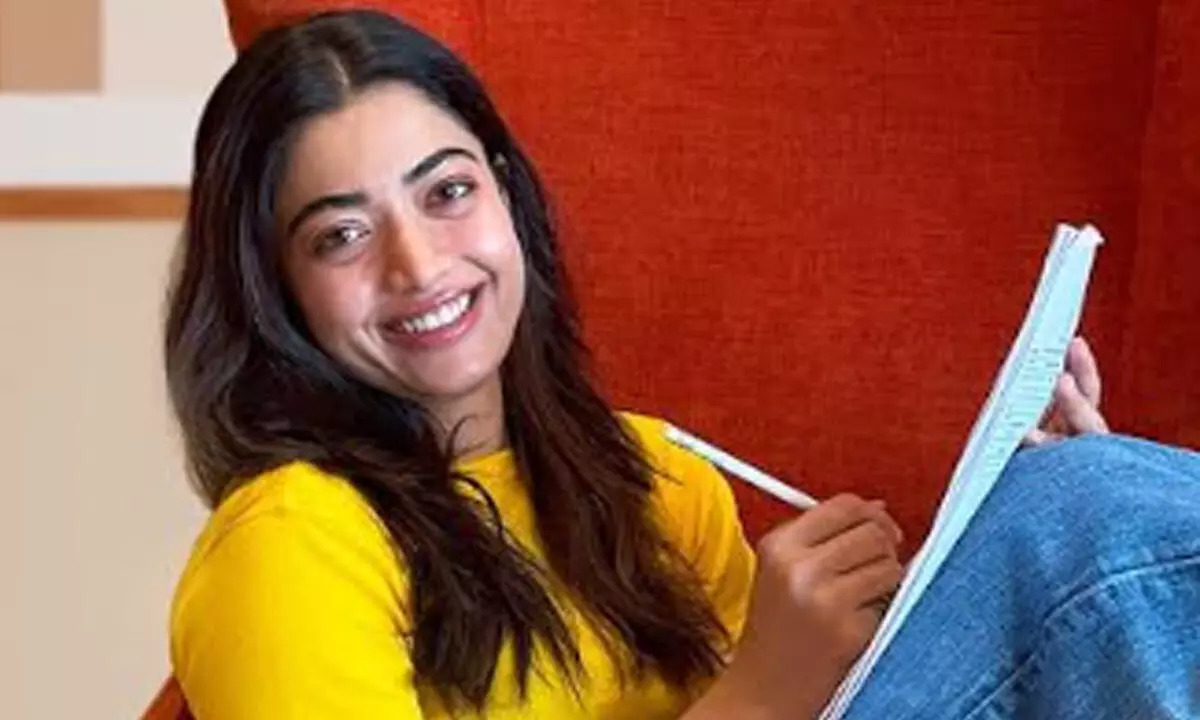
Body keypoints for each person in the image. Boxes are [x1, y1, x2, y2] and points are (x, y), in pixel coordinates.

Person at [164, 9, 1200, 719]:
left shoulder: (655, 481)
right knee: (1083, 525)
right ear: (275, 289)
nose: (419, 264)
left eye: (448, 192)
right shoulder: (291, 543)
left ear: (510, 198)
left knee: (1072, 509)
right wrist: (759, 695)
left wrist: (1014, 581)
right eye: (341, 236)